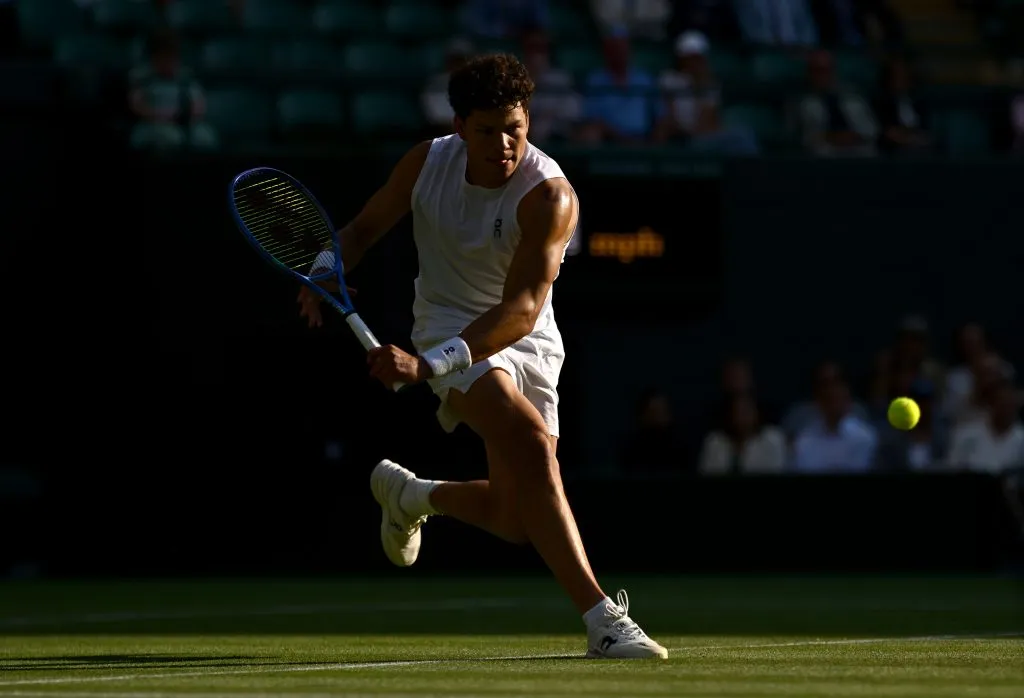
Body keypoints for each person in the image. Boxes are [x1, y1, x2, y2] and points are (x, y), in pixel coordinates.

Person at [296, 53, 667, 660]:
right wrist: (321, 268)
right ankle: (604, 619)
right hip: (446, 323)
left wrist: (425, 369)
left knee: (514, 518)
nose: (502, 144)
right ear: (459, 125)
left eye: (514, 129)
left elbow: (520, 310)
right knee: (530, 442)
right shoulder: (425, 163)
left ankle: (414, 495)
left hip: (525, 337)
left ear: (529, 122)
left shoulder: (550, 196)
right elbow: (361, 231)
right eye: (487, 129)